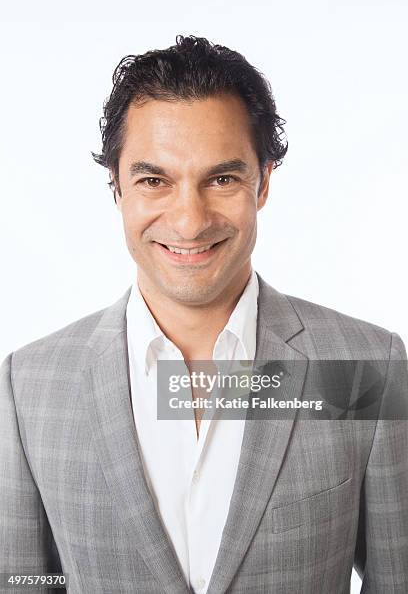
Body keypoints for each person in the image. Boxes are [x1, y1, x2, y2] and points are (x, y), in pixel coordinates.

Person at [1, 35, 407, 594]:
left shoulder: (363, 366)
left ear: (262, 182)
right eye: (154, 180)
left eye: (221, 178)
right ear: (115, 187)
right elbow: (23, 583)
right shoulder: (30, 384)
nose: (189, 221)